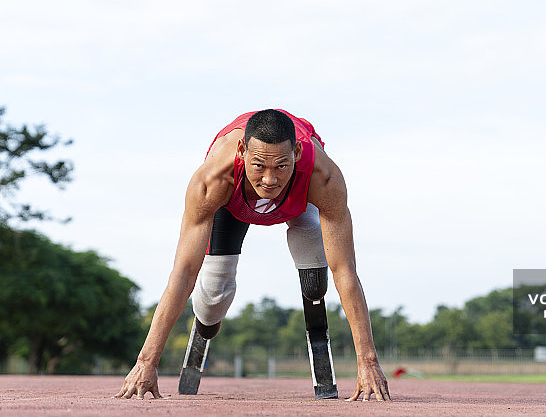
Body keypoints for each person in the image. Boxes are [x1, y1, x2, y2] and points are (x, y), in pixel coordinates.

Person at [115, 109, 390, 401]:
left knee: (313, 267)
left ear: (297, 152)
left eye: (281, 166)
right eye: (259, 165)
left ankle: (313, 289)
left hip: (299, 200)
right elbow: (183, 272)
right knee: (211, 297)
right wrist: (146, 362)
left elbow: (345, 270)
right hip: (232, 203)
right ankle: (205, 322)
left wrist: (368, 361)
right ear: (242, 151)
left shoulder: (324, 177)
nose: (270, 180)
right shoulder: (212, 179)